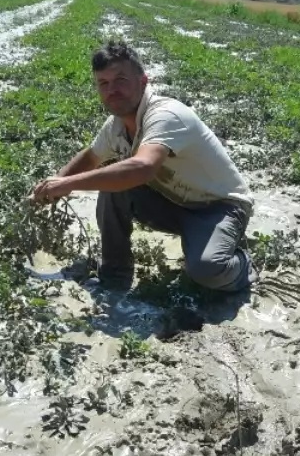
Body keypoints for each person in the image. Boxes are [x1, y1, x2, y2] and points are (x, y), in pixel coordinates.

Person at [30, 40, 257, 293]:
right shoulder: (115, 125)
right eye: (103, 83)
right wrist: (53, 185)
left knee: (207, 270)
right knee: (114, 183)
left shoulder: (166, 114)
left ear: (143, 81)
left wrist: (68, 184)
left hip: (219, 207)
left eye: (120, 80)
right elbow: (91, 157)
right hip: (173, 203)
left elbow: (143, 167)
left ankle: (244, 264)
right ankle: (115, 275)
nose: (112, 90)